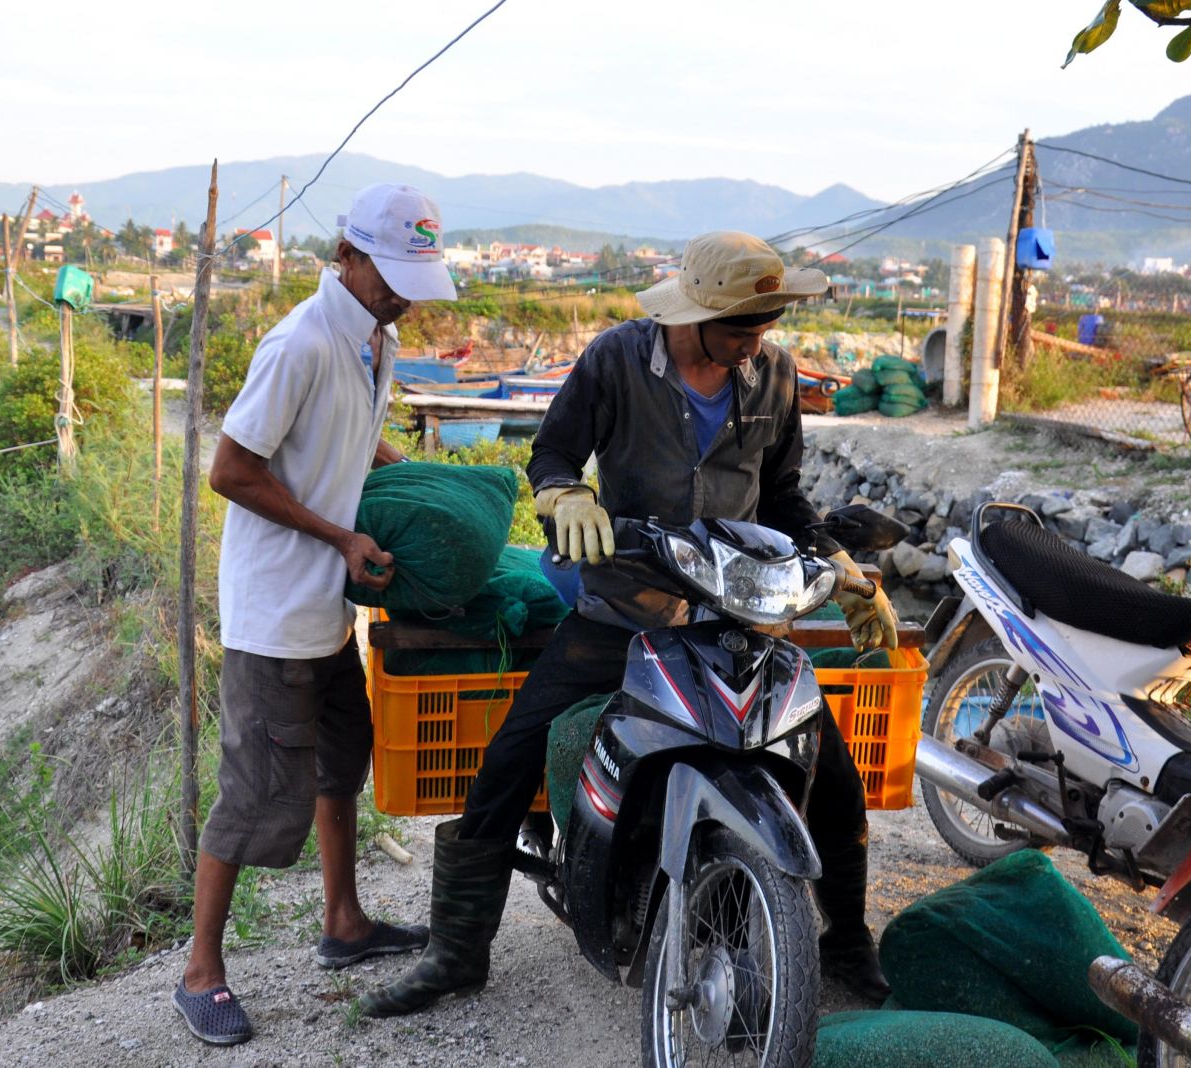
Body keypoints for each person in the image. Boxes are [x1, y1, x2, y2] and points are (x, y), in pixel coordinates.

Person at [362, 231, 899, 1019]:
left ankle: (845, 940)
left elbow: (780, 494)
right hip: (624, 608)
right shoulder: (615, 359)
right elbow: (551, 453)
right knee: (511, 758)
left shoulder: (773, 373)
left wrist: (834, 560)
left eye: (765, 329)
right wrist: (566, 495)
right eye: (745, 329)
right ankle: (456, 953)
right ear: (697, 316)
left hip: (738, 613)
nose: (758, 345)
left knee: (832, 772)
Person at [174, 184, 458, 1046]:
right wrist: (338, 535)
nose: (404, 292)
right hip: (275, 612)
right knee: (255, 793)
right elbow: (230, 469)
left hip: (329, 605)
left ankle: (344, 923)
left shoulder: (378, 338)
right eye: (393, 274)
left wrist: (413, 476)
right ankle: (200, 974)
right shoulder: (300, 341)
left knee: (343, 760)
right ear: (349, 256)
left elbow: (351, 432)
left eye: (416, 276)